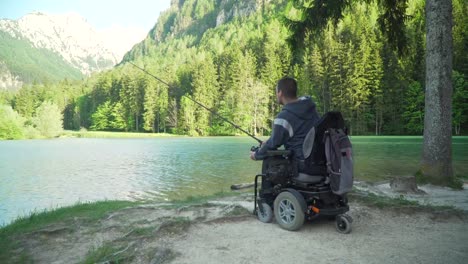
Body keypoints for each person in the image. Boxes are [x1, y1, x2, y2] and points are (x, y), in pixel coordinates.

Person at [250, 77, 320, 166]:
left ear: (280, 93)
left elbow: (272, 145)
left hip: (301, 165)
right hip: (321, 163)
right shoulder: (311, 108)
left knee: (270, 161)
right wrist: (269, 141)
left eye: (276, 92)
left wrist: (256, 155)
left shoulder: (283, 117)